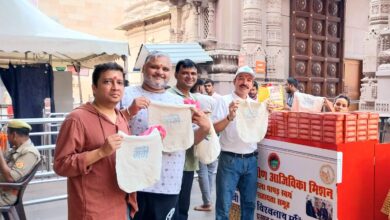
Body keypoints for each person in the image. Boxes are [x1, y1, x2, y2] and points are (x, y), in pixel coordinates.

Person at [121, 53, 210, 220]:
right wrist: (128, 112)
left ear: (170, 73)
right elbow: (109, 125)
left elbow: (187, 141)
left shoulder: (178, 103)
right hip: (133, 179)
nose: (159, 72)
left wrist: (204, 128)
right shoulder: (125, 95)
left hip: (167, 182)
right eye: (154, 66)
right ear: (143, 69)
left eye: (165, 69)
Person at [54, 62, 138, 220]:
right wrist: (101, 152)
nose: (115, 87)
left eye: (119, 82)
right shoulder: (76, 119)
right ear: (94, 88)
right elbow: (61, 165)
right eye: (107, 82)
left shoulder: (120, 117)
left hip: (122, 204)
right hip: (93, 209)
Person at [213, 65, 267, 220]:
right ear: (234, 81)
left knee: (249, 204)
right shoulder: (224, 101)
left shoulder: (255, 105)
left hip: (251, 160)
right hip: (229, 160)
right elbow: (214, 128)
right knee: (224, 206)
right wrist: (229, 116)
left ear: (252, 84)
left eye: (249, 80)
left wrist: (268, 111)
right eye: (241, 78)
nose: (245, 82)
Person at [167, 59, 211, 220]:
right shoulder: (168, 96)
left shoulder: (194, 98)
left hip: (189, 160)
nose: (189, 77)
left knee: (183, 208)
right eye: (185, 73)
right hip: (170, 162)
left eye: (193, 73)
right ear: (176, 74)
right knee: (170, 209)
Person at [0, 120, 40, 206]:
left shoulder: (29, 153)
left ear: (14, 135)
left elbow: (10, 178)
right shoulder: (17, 149)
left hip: (5, 195)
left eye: (8, 134)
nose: (7, 136)